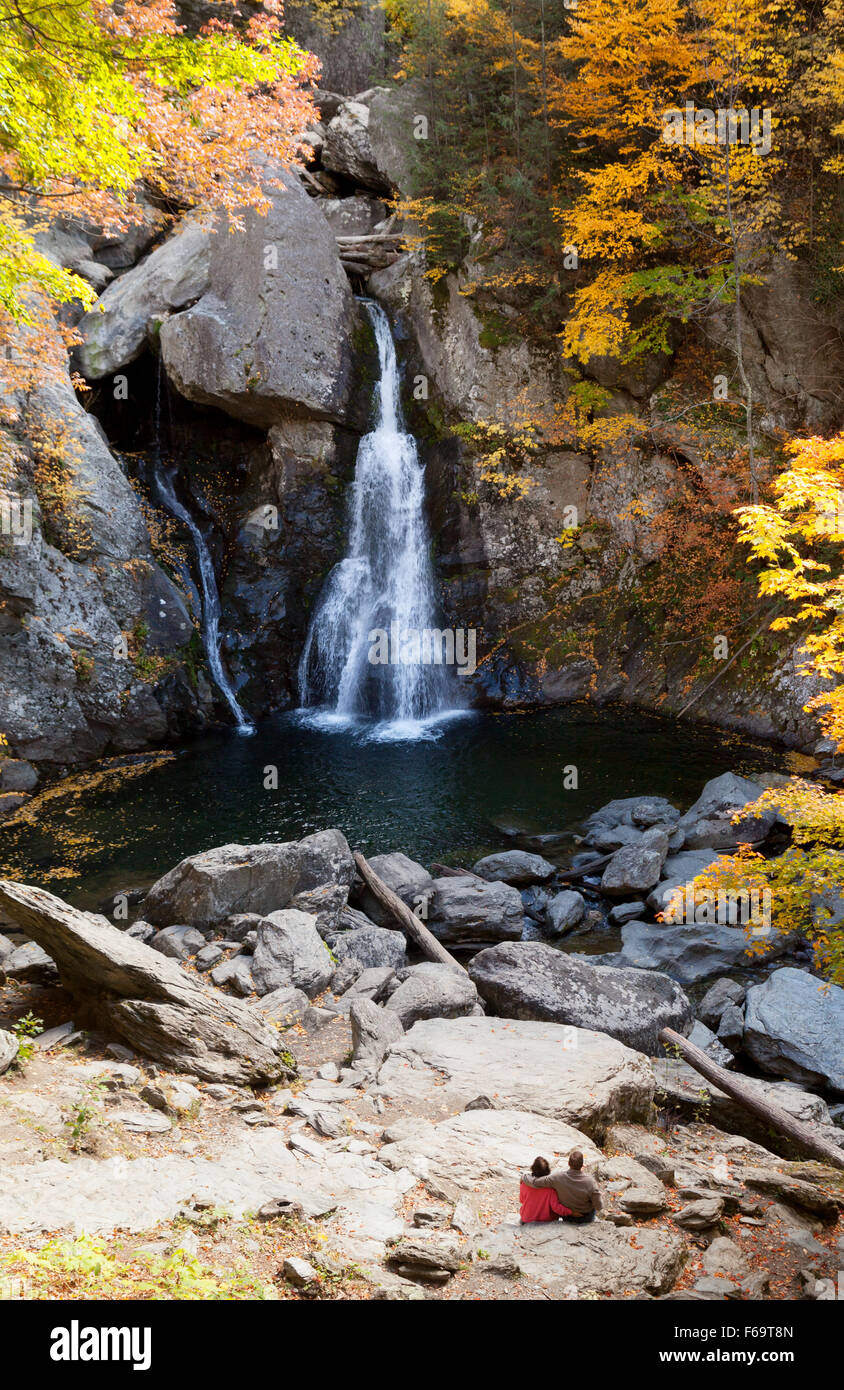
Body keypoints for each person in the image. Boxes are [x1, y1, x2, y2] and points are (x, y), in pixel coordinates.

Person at [521, 1149, 602, 1223]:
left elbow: (536, 1183)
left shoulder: (557, 1178)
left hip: (567, 1217)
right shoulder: (591, 1182)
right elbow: (599, 1206)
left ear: (568, 1163)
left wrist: (524, 1177)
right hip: (585, 1216)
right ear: (582, 1165)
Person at [519, 1156, 572, 1223]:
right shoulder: (550, 1189)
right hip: (545, 1220)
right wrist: (571, 1212)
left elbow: (521, 1200)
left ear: (533, 1168)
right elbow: (556, 1208)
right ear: (547, 1171)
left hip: (526, 1219)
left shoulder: (524, 1183)